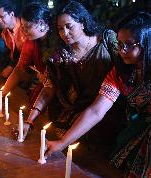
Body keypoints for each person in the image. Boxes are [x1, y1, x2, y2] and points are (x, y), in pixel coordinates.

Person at [45, 12, 151, 178]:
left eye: (129, 45)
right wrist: (62, 142)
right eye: (120, 44)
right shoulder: (119, 72)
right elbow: (96, 110)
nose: (121, 51)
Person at [22, 0, 120, 140]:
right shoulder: (60, 56)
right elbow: (48, 88)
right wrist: (29, 121)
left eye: (69, 26)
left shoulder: (106, 40)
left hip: (108, 106)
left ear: (83, 23)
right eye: (60, 29)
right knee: (62, 134)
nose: (64, 33)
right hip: (76, 110)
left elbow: (126, 70)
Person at [0, 1, 27, 78]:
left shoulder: (25, 28)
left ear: (11, 14)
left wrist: (11, 67)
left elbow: (25, 53)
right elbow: (9, 51)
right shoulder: (5, 32)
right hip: (15, 63)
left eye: (2, 17)